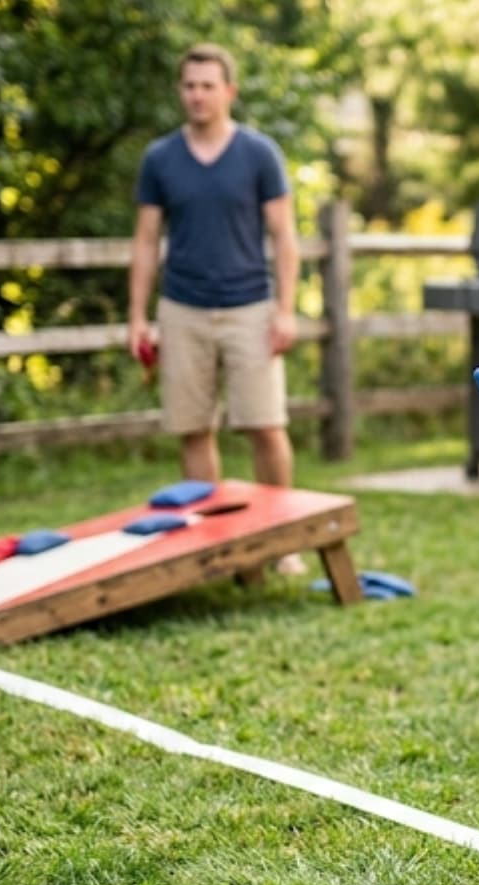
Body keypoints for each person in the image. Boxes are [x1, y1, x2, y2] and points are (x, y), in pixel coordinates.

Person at [128, 44, 306, 571]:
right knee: (193, 427)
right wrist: (138, 316)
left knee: (265, 425)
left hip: (251, 306)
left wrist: (287, 309)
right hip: (182, 309)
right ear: (180, 91)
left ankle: (282, 539)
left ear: (228, 91)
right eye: (189, 85)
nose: (197, 95)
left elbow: (284, 236)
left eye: (208, 85)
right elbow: (144, 242)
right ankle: (212, 541)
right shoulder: (160, 159)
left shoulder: (258, 154)